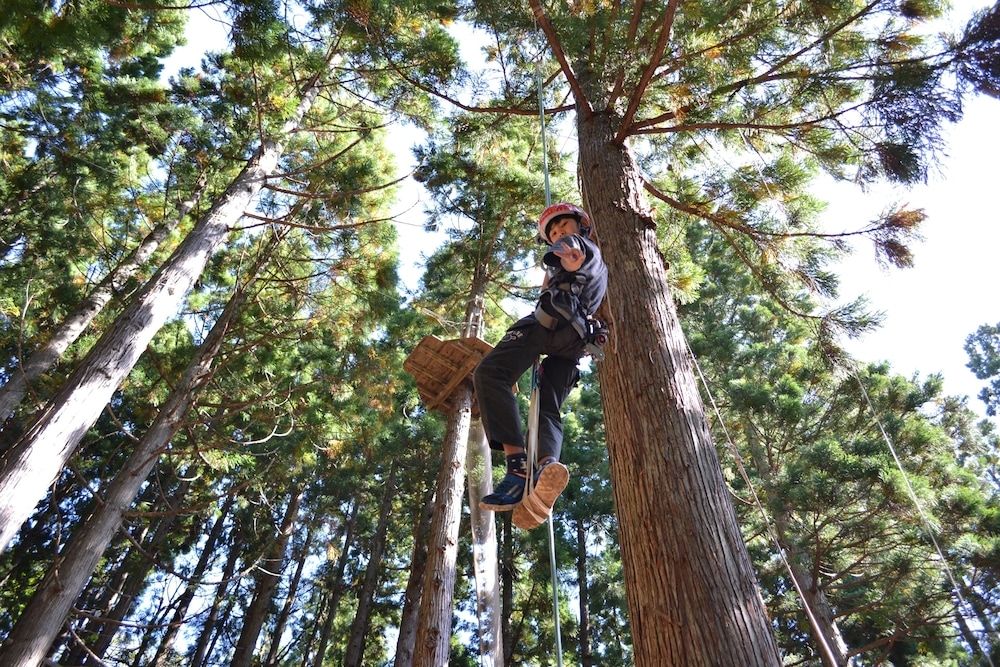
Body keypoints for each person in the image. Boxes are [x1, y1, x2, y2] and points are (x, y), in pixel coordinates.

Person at [473, 202, 608, 528]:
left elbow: (572, 250)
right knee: (547, 407)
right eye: (554, 233)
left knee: (490, 373)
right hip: (575, 340)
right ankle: (547, 465)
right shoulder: (598, 265)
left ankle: (517, 467)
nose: (561, 234)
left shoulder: (581, 247)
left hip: (550, 323)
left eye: (565, 227)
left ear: (582, 226)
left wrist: (562, 252)